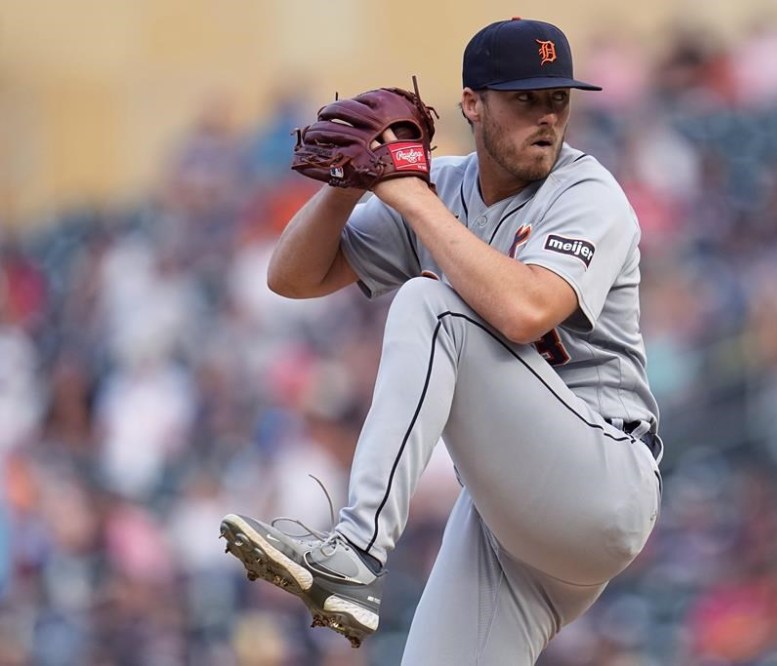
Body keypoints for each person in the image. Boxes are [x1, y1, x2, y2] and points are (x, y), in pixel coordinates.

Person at [220, 17, 663, 665]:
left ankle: (355, 549)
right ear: (471, 104)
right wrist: (348, 187)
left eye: (557, 99)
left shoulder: (587, 193)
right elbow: (291, 277)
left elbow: (524, 311)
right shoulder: (445, 187)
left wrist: (409, 199)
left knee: (430, 304)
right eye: (524, 99)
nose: (546, 117)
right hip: (510, 524)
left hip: (601, 480)